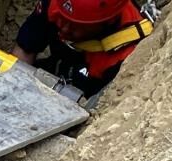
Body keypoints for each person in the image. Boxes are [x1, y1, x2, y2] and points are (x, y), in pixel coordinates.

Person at [12, 0, 155, 98]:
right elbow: (25, 50)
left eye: (75, 25)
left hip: (85, 94)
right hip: (56, 68)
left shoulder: (125, 57)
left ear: (106, 22)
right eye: (63, 18)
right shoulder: (59, 6)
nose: (64, 28)